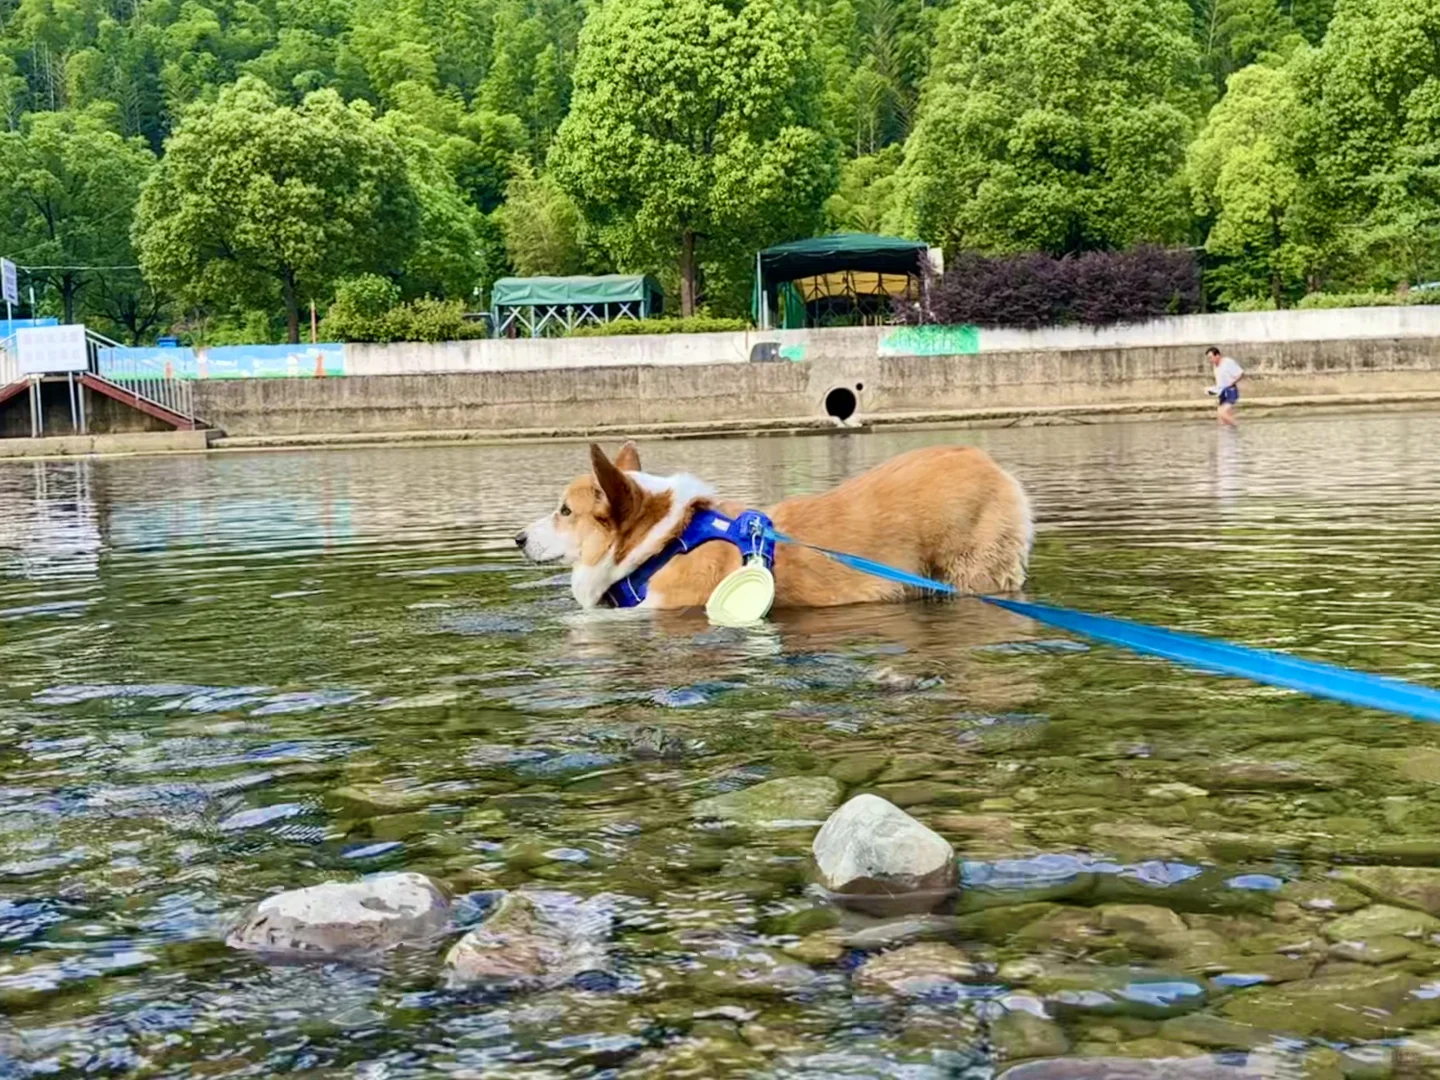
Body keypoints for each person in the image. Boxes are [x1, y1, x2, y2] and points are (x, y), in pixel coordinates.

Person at [1205, 346, 1244, 426]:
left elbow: (1240, 373)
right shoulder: (1215, 366)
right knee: (1221, 418)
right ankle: (1226, 435)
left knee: (1222, 412)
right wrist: (1213, 391)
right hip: (1222, 392)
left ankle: (1237, 427)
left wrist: (1232, 383)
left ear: (1217, 355)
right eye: (1209, 358)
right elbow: (1220, 382)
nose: (1210, 360)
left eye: (1211, 357)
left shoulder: (1228, 362)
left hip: (1230, 391)